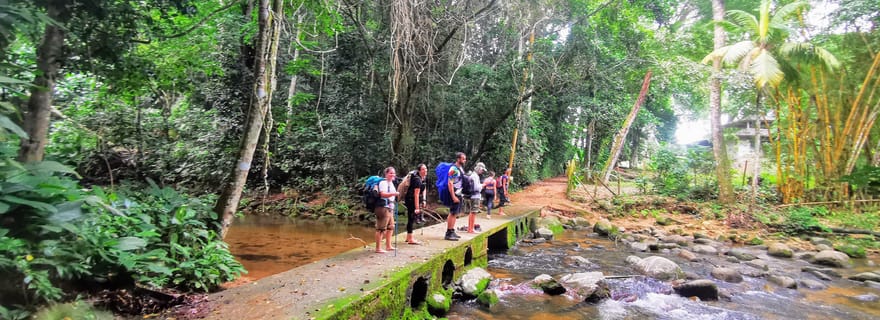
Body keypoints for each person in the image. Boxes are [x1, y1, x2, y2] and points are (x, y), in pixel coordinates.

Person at [375, 167, 399, 253]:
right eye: (391, 173)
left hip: (390, 207)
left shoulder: (391, 183)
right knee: (381, 228)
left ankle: (388, 246)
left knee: (391, 226)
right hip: (382, 207)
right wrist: (394, 193)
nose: (393, 175)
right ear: (386, 174)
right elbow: (383, 194)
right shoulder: (383, 183)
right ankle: (378, 248)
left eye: (394, 173)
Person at [444, 152, 467, 241]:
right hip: (455, 194)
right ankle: (448, 232)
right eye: (463, 159)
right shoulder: (453, 169)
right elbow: (450, 183)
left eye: (465, 159)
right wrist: (453, 196)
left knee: (455, 213)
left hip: (459, 193)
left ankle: (452, 230)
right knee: (452, 213)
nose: (465, 160)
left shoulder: (460, 168)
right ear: (458, 159)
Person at [404, 164, 427, 245]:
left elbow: (424, 189)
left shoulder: (423, 178)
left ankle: (408, 237)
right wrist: (417, 208)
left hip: (415, 200)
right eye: (423, 169)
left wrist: (424, 200)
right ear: (419, 170)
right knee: (411, 218)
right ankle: (410, 239)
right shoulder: (417, 180)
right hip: (411, 200)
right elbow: (416, 194)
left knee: (412, 219)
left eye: (426, 169)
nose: (425, 171)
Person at [463, 162, 485, 233]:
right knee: (473, 212)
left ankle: (471, 228)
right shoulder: (475, 176)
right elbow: (476, 188)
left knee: (472, 212)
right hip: (475, 196)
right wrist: (483, 185)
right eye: (482, 170)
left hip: (472, 196)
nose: (482, 171)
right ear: (479, 168)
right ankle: (471, 229)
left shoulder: (473, 175)